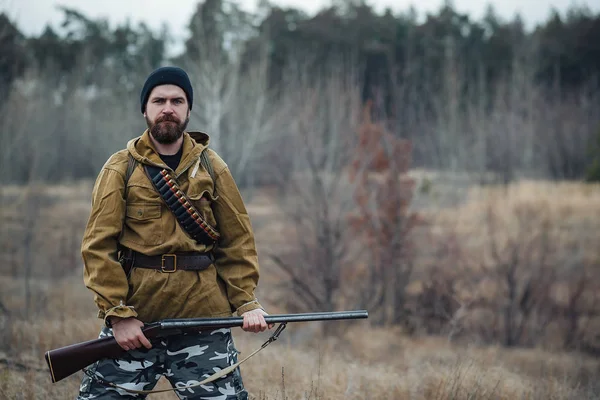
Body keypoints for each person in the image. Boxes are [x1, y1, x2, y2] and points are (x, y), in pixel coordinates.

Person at [77, 66, 270, 399]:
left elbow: (237, 241)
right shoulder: (120, 168)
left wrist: (247, 303)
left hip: (203, 321)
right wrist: (118, 315)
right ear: (145, 109)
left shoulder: (212, 167)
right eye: (159, 100)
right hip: (136, 321)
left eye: (177, 100)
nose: (168, 107)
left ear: (188, 110)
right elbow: (98, 247)